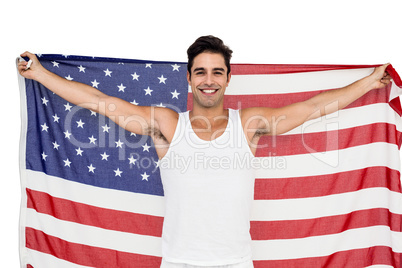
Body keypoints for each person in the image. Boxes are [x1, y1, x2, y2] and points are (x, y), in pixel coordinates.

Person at [18, 35, 391, 268]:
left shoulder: (249, 124)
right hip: (179, 262)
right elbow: (100, 101)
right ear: (189, 78)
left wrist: (369, 81)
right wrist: (40, 75)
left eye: (216, 72)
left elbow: (312, 108)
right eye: (200, 72)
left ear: (229, 77)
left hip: (237, 262)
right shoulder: (167, 125)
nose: (208, 80)